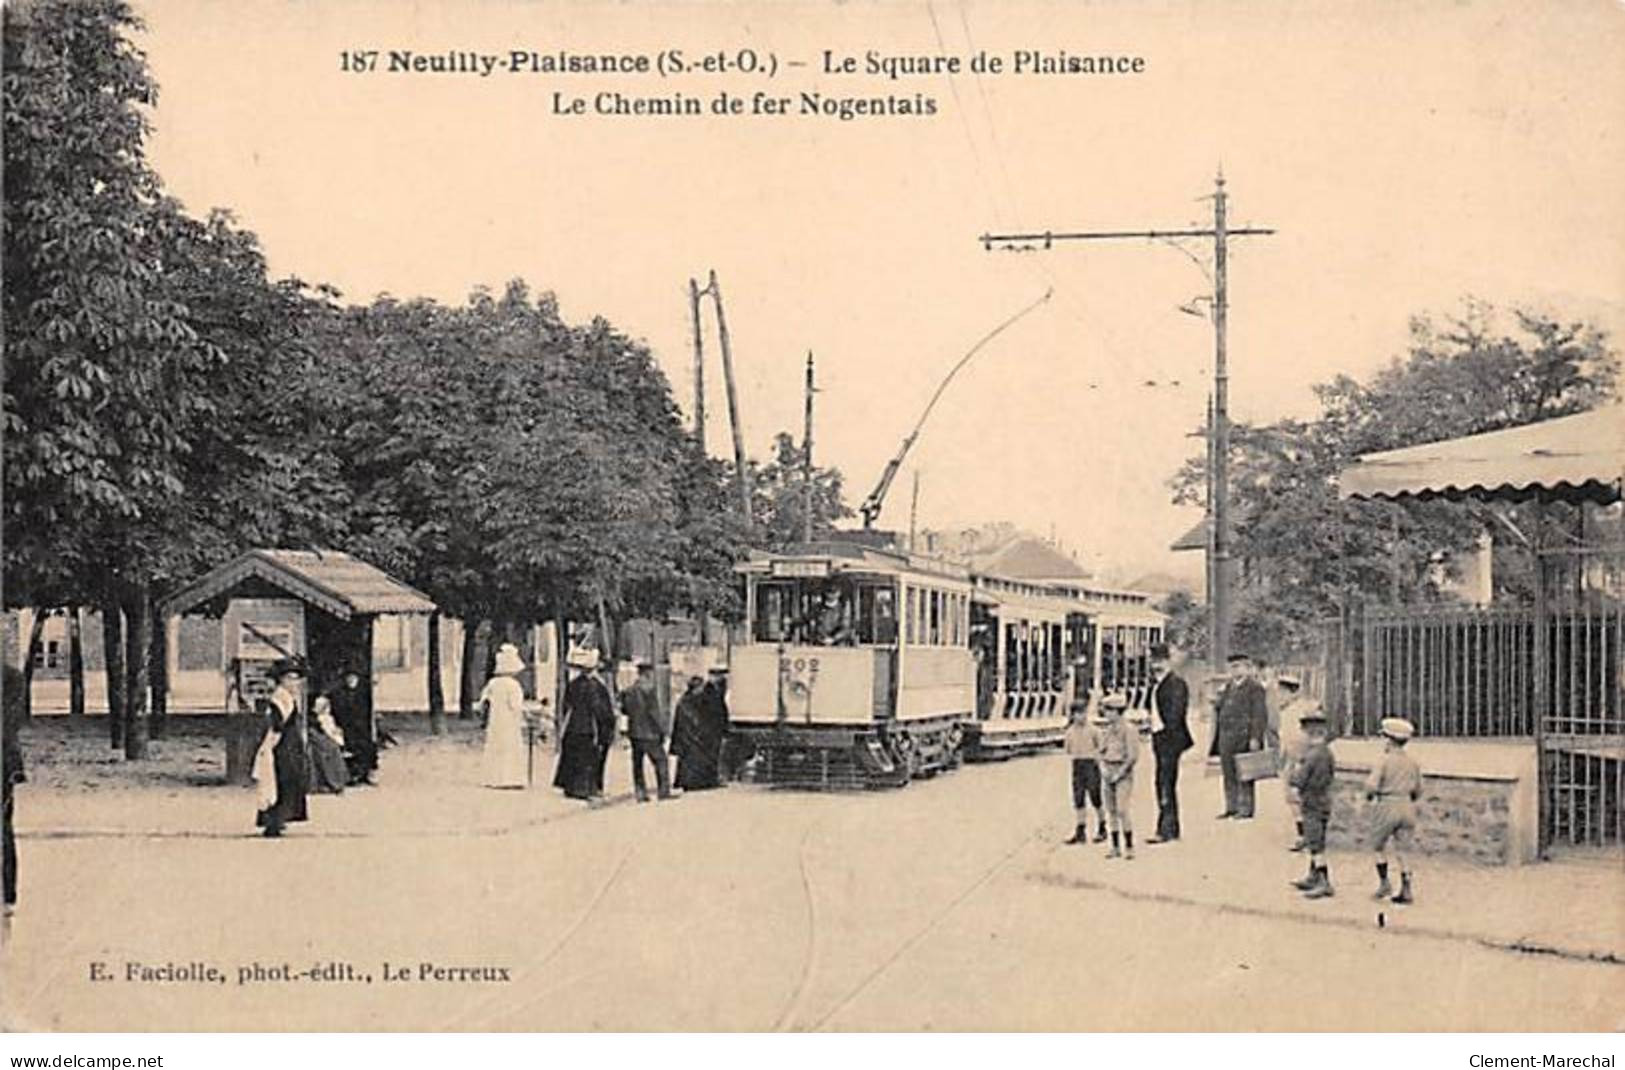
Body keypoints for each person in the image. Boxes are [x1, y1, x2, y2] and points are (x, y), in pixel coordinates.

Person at [254, 658, 311, 838]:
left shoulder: (288, 697)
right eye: (290, 678)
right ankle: (274, 821)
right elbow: (277, 725)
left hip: (290, 743)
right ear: (282, 680)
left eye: (296, 679)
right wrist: (270, 747)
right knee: (282, 781)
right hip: (283, 746)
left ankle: (281, 819)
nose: (294, 683)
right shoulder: (280, 698)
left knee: (289, 781)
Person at [1367, 717, 1421, 904]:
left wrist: (1368, 797)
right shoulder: (1412, 763)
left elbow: (1372, 786)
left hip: (1387, 804)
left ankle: (1384, 883)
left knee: (1377, 846)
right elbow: (1418, 790)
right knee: (1403, 850)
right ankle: (1406, 888)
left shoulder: (1384, 761)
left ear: (1389, 739)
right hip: (1406, 805)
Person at [1210, 652, 1269, 819]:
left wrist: (1255, 737)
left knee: (1245, 771)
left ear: (1246, 667)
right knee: (1228, 772)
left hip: (1244, 736)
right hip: (1226, 736)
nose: (1234, 670)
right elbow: (1220, 707)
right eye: (1231, 667)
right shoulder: (1229, 686)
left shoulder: (1255, 688)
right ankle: (1231, 806)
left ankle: (1245, 808)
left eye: (1237, 666)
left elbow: (1259, 714)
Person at [1144, 644, 1192, 844]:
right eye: (1154, 661)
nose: (1156, 664)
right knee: (1162, 783)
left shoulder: (1176, 683)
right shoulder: (1155, 684)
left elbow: (1176, 714)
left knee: (1165, 783)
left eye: (1160, 660)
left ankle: (1166, 829)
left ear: (1168, 661)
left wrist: (1166, 736)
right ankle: (1169, 828)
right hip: (1160, 738)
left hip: (1170, 740)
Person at [1288, 710, 1336, 899]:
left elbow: (1298, 779)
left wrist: (1293, 772)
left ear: (1310, 733)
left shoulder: (1312, 755)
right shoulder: (1327, 753)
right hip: (1324, 800)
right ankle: (1313, 875)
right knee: (1317, 839)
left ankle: (1324, 882)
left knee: (1315, 844)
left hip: (1312, 801)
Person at [554, 649, 611, 800]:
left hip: (573, 724)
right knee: (588, 758)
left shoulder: (573, 684)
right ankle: (585, 789)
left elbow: (566, 703)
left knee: (573, 756)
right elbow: (598, 707)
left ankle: (570, 787)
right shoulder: (595, 686)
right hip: (589, 725)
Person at [623, 661, 673, 802]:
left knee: (637, 764)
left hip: (634, 733)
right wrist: (662, 729)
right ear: (647, 674)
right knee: (661, 761)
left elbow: (624, 710)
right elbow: (654, 713)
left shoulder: (630, 690)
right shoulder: (650, 690)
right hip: (650, 733)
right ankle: (663, 791)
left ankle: (640, 792)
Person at [480, 643, 528, 789]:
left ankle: (493, 777)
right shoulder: (513, 686)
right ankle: (510, 778)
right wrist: (523, 718)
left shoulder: (493, 683)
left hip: (496, 720)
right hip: (509, 721)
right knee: (510, 747)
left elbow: (484, 701)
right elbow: (516, 706)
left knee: (496, 747)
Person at [1097, 692, 1140, 859]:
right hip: (1108, 770)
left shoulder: (1129, 730)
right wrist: (1103, 769)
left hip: (1123, 772)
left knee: (1122, 809)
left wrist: (1119, 773)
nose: (1106, 714)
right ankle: (1115, 847)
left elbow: (1132, 756)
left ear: (1118, 711)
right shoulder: (1107, 731)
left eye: (1109, 710)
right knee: (1111, 811)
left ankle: (1129, 846)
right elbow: (1100, 752)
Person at [1275, 674, 1314, 851]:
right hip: (1289, 759)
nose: (1280, 696)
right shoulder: (1286, 711)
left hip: (1298, 759)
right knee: (1291, 799)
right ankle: (1303, 835)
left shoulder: (1298, 712)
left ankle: (1305, 836)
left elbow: (1300, 738)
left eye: (1283, 692)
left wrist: (1297, 759)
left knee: (1297, 798)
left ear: (1293, 693)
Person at [1062, 690, 1107, 845]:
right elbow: (1068, 750)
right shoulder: (1069, 732)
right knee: (1078, 798)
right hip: (1077, 765)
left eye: (1084, 713)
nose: (1082, 716)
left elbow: (1101, 747)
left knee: (1096, 797)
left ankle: (1102, 826)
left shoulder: (1094, 730)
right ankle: (1080, 830)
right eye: (1078, 713)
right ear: (1073, 715)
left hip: (1091, 764)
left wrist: (1096, 758)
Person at [327, 666, 376, 786]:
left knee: (366, 747)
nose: (351, 680)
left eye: (354, 677)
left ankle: (365, 773)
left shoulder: (363, 692)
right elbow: (336, 711)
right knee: (350, 747)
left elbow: (367, 710)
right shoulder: (339, 693)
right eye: (349, 677)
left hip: (361, 726)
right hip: (346, 726)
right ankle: (353, 775)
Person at [671, 675, 719, 791]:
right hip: (689, 738)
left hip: (689, 737)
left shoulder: (689, 700)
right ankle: (692, 782)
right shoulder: (687, 702)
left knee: (693, 760)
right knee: (692, 760)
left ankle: (697, 781)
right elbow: (691, 720)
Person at [3, 663, 26, 913]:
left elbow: (9, 725)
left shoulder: (11, 678)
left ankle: (8, 895)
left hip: (2, 763)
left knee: (3, 829)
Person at [306, 694, 349, 794]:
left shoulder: (327, 717)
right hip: (320, 739)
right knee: (331, 751)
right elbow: (325, 730)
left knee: (334, 749)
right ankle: (334, 782)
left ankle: (338, 780)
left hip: (325, 737)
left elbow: (331, 730)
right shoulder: (318, 718)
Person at [700, 665, 735, 781]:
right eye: (719, 676)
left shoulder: (718, 689)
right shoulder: (709, 691)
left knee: (716, 752)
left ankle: (715, 775)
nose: (722, 678)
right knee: (712, 752)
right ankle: (712, 776)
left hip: (717, 727)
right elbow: (712, 710)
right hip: (711, 727)